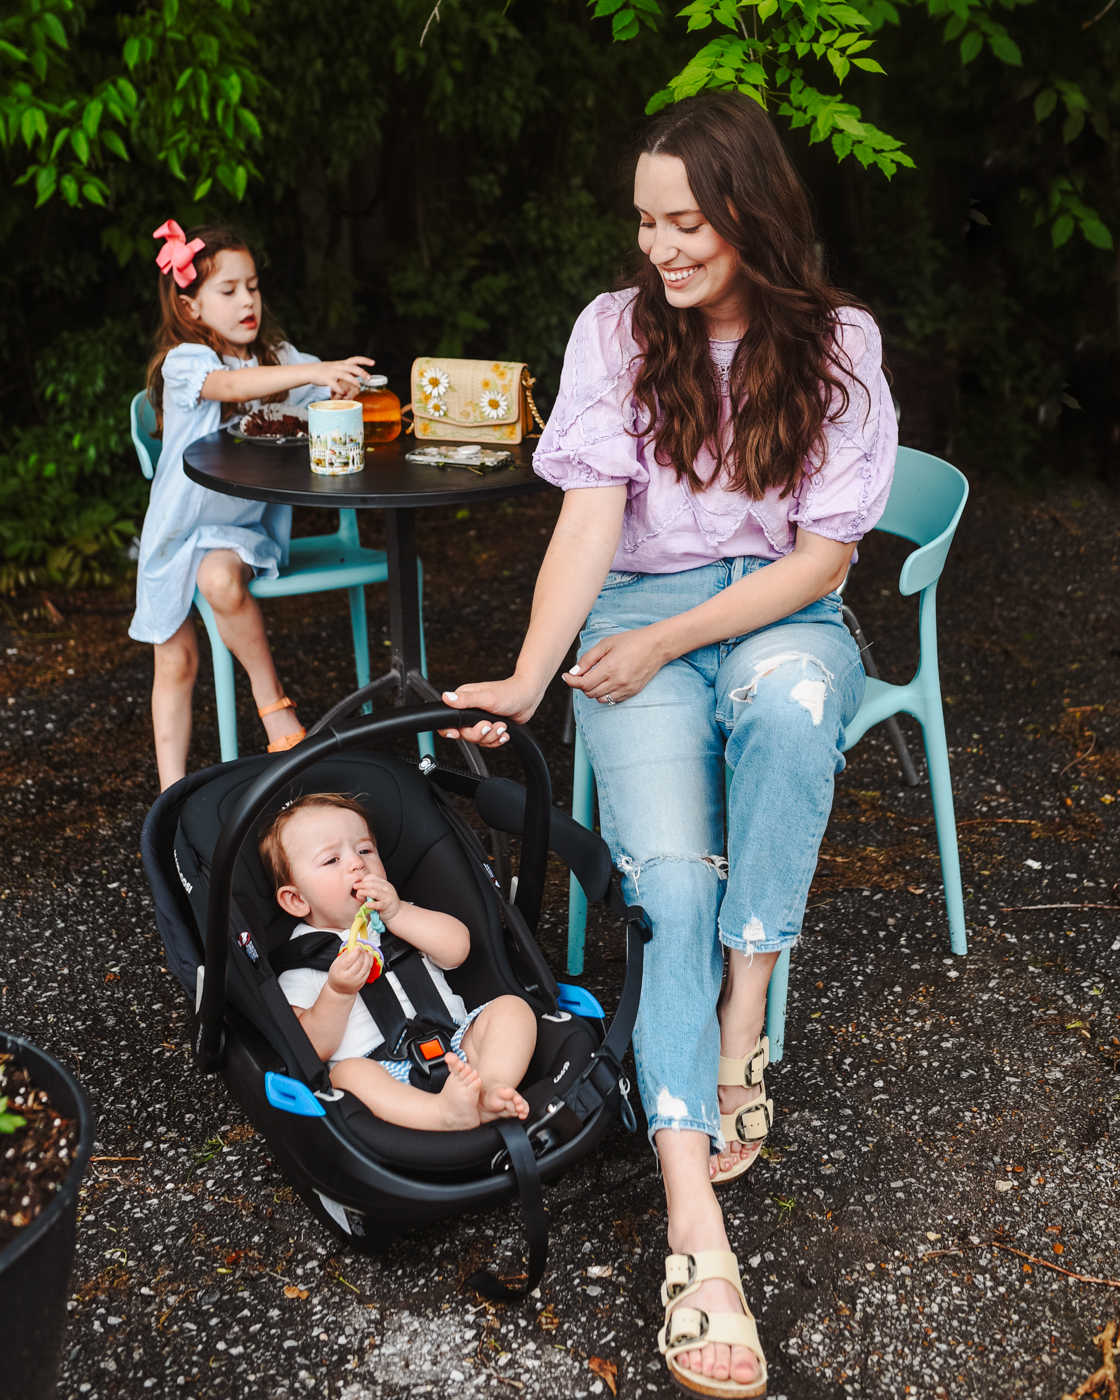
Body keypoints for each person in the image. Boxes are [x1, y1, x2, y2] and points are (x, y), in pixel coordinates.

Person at [439, 91, 896, 1397]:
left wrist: (678, 632)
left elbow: (820, 560)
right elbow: (589, 521)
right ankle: (694, 1221)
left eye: (686, 221)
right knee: (666, 879)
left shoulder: (838, 346)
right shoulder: (612, 334)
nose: (662, 249)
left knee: (801, 714)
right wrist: (535, 675)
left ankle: (746, 1004)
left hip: (773, 607)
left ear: (750, 210)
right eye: (646, 222)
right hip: (636, 615)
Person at [131, 220, 376, 791]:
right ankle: (171, 795)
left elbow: (319, 385)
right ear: (191, 308)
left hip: (239, 533)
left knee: (219, 578)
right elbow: (234, 388)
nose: (248, 301)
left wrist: (340, 384)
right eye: (229, 290)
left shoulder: (278, 357)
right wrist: (314, 371)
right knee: (176, 661)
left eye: (254, 286)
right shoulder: (187, 363)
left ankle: (276, 712)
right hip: (173, 533)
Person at [260, 793, 538, 1131]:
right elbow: (308, 1047)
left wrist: (398, 913)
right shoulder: (301, 962)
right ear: (296, 899)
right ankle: (440, 1113)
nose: (357, 863)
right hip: (380, 1071)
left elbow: (458, 948)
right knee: (346, 1075)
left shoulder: (401, 917)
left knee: (512, 1009)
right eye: (332, 860)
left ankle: (492, 1088)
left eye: (364, 850)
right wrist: (338, 992)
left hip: (458, 1047)